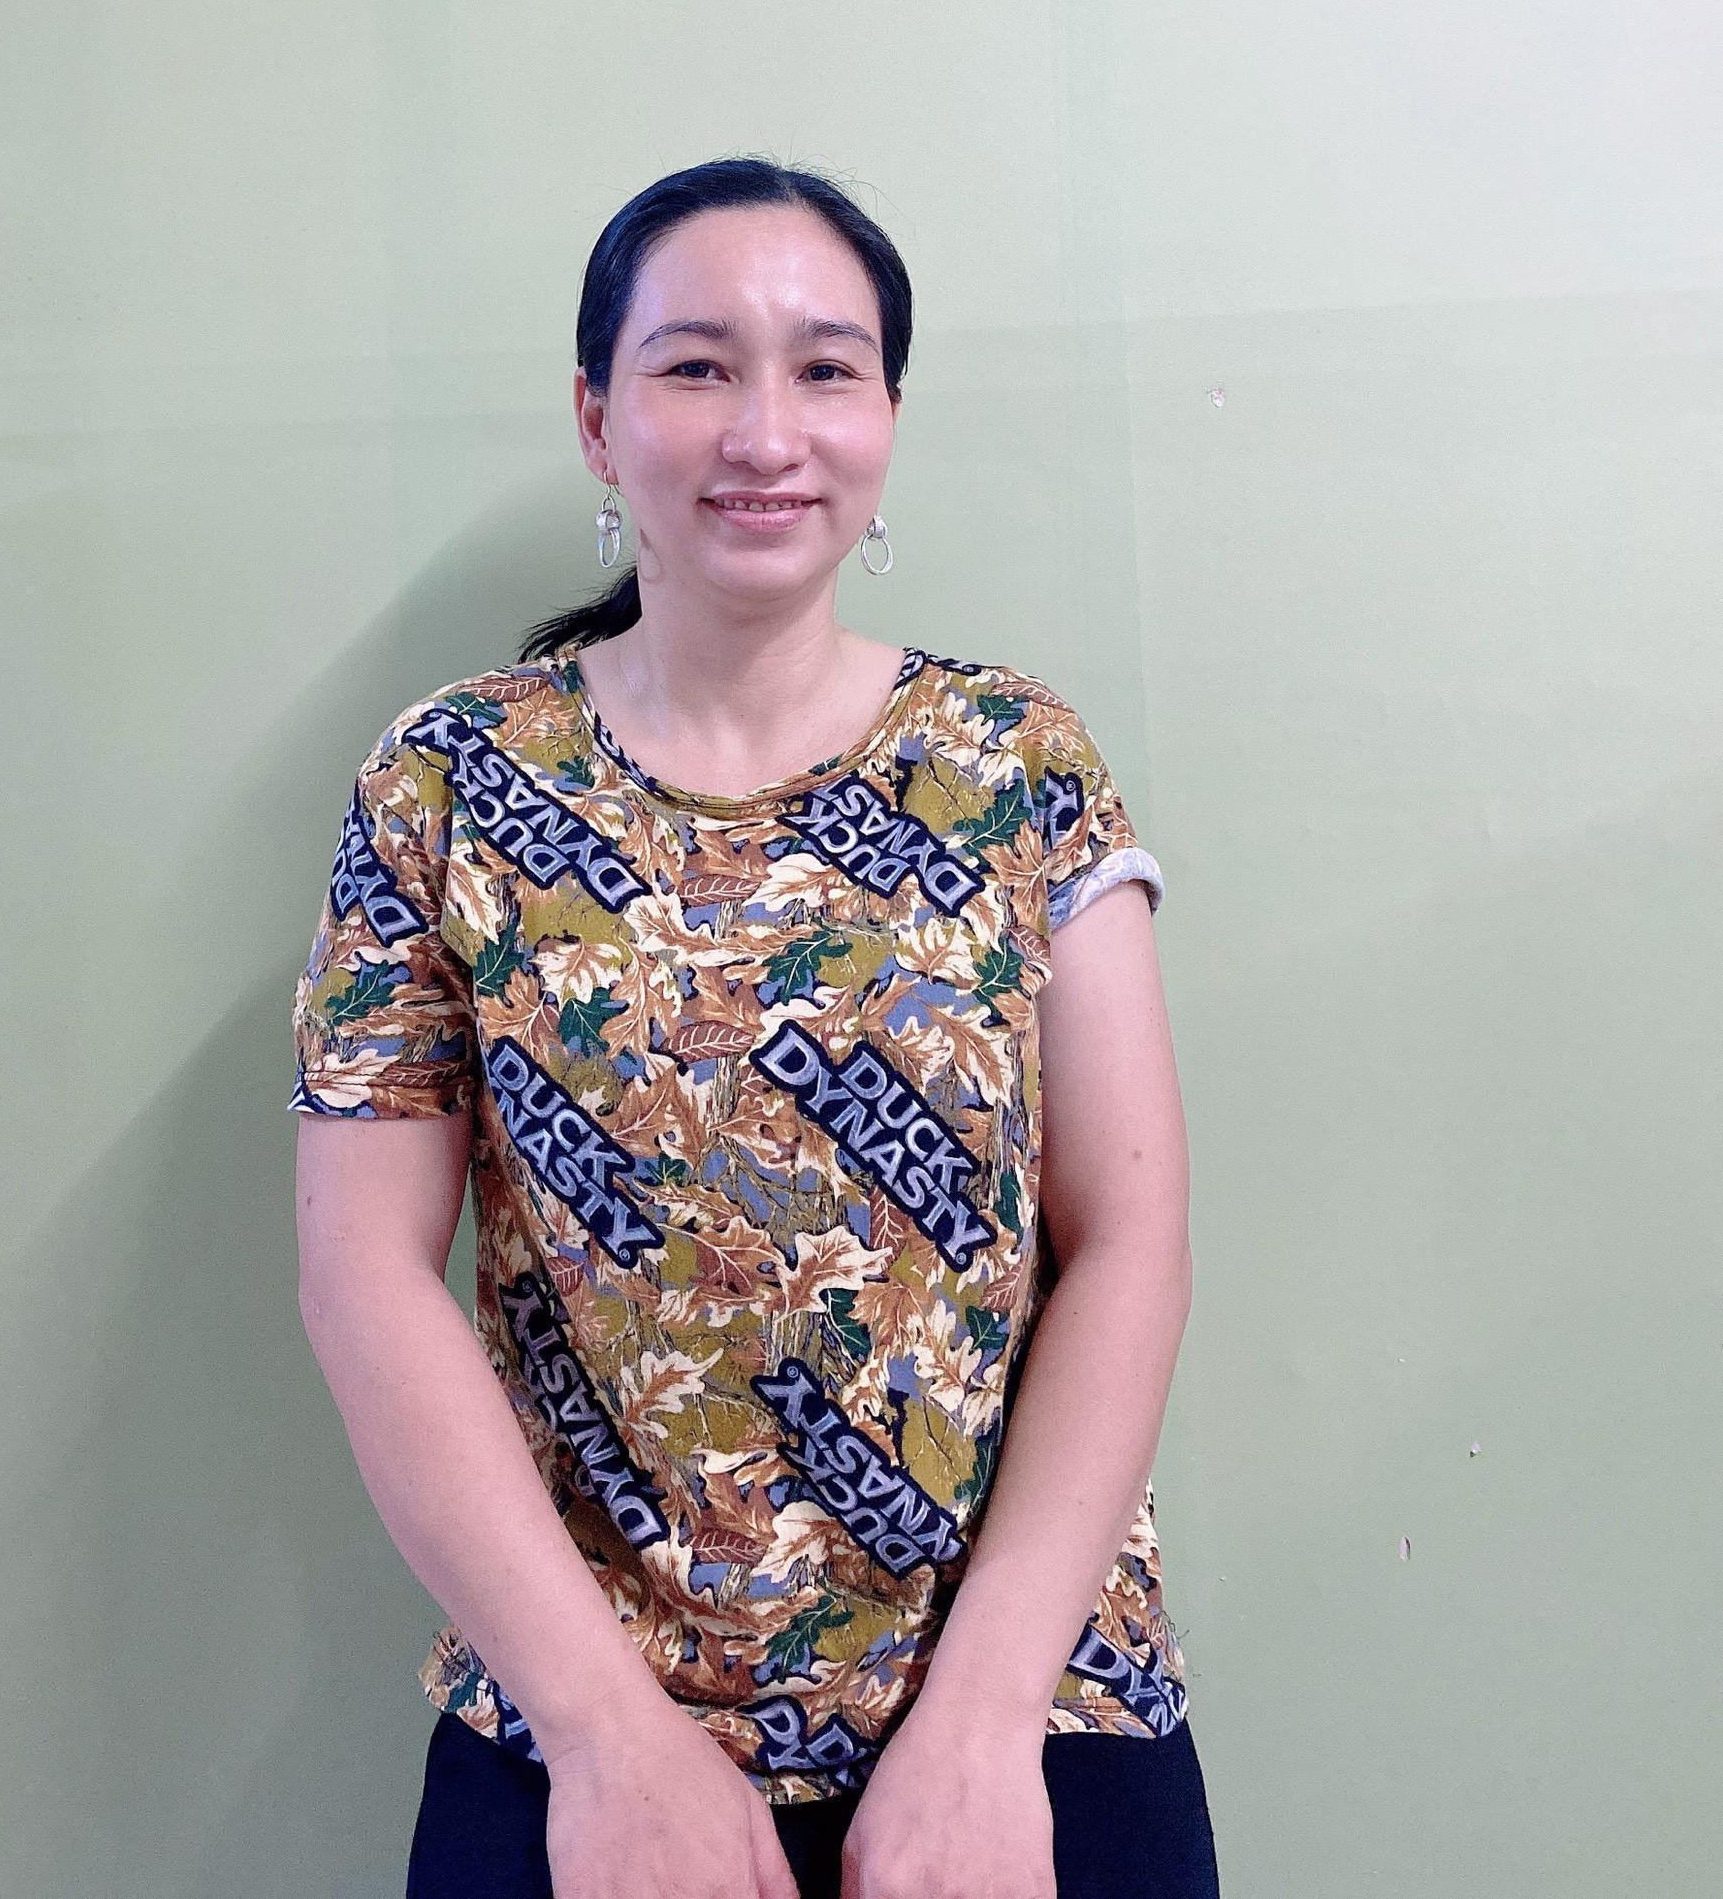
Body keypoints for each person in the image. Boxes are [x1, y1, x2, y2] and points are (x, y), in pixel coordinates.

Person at [291, 158, 1220, 1899]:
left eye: (826, 367)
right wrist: (604, 1739)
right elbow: (361, 1273)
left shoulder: (1016, 762)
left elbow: (1130, 1244)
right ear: (596, 415)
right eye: (697, 365)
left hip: (1026, 1717)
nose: (766, 431)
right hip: (576, 1729)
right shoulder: (447, 782)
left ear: (886, 420)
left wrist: (981, 1730)